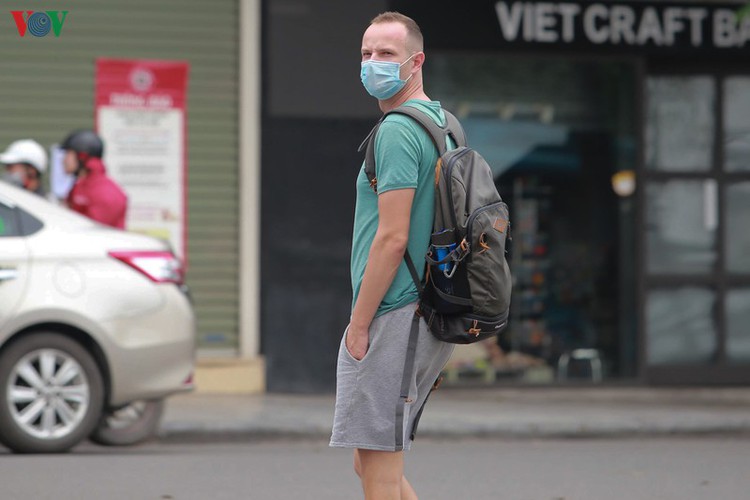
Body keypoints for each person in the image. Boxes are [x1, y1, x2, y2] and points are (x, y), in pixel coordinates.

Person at [329, 12, 455, 499]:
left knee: (380, 469)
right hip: (418, 310)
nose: (373, 64)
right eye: (366, 54)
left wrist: (360, 324)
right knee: (370, 462)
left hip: (397, 311)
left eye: (386, 55)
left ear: (415, 62)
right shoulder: (442, 123)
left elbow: (392, 237)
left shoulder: (400, 131)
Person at [60, 129, 128, 229]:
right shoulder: (82, 185)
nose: (64, 160)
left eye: (68, 154)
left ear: (82, 156)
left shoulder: (105, 193)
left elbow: (95, 234)